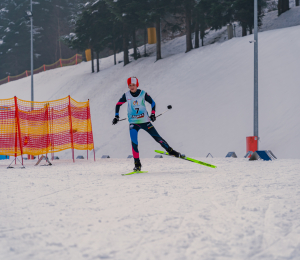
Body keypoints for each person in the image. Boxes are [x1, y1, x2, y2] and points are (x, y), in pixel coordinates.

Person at [112, 77, 182, 171]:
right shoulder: (126, 95)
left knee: (158, 138)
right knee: (134, 143)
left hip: (145, 122)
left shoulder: (143, 94)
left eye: (133, 85)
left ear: (137, 85)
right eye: (130, 85)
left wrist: (153, 114)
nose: (132, 87)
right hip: (133, 123)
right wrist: (116, 116)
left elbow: (152, 103)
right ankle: (137, 164)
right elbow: (118, 104)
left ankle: (171, 151)